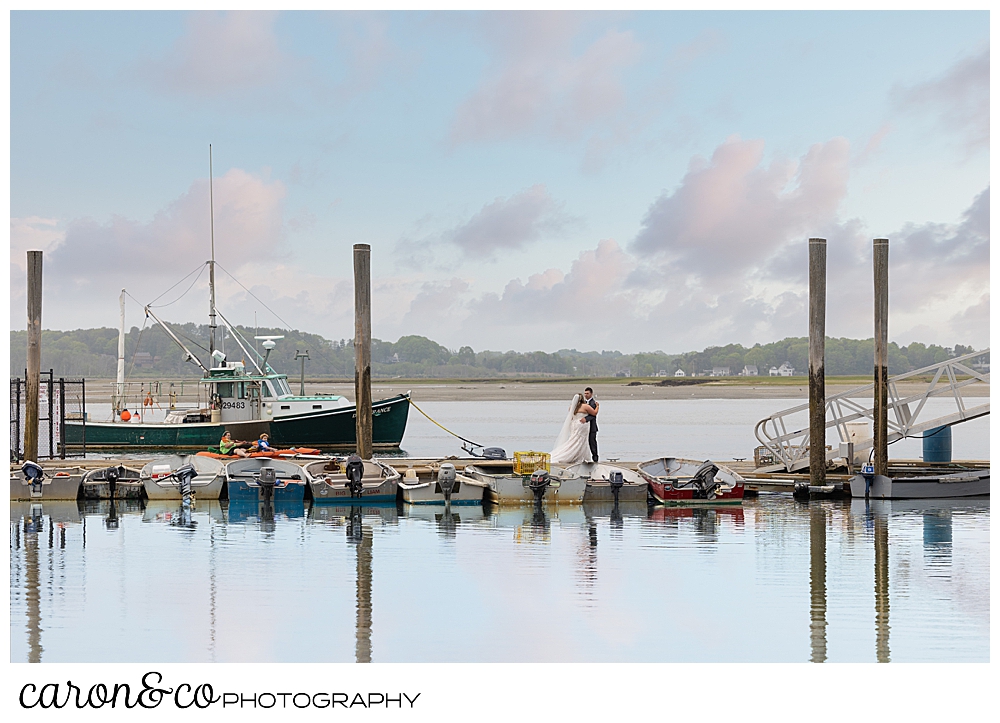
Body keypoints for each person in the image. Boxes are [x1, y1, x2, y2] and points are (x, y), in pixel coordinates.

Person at [549, 393, 594, 464]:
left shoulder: (571, 407)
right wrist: (597, 406)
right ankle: (580, 456)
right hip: (581, 425)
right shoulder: (585, 406)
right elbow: (594, 413)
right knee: (581, 440)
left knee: (573, 440)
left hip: (574, 424)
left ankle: (577, 455)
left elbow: (572, 417)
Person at [581, 387, 599, 462]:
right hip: (584, 428)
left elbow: (593, 414)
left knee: (592, 443)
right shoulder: (583, 403)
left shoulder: (593, 403)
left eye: (587, 393)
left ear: (591, 394)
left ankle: (595, 458)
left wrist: (586, 419)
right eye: (585, 393)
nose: (586, 395)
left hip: (592, 427)